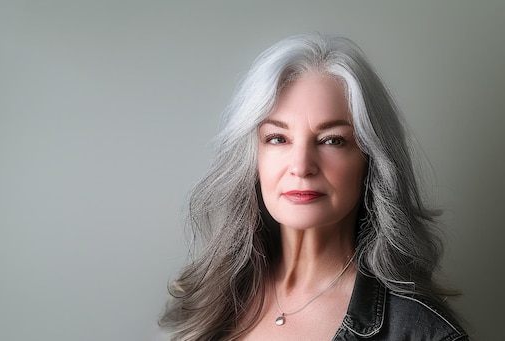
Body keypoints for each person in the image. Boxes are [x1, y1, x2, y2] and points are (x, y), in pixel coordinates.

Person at [159, 33, 468, 340]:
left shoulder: (419, 332)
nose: (302, 166)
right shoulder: (205, 300)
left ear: (370, 159)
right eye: (278, 138)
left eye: (331, 140)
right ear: (252, 158)